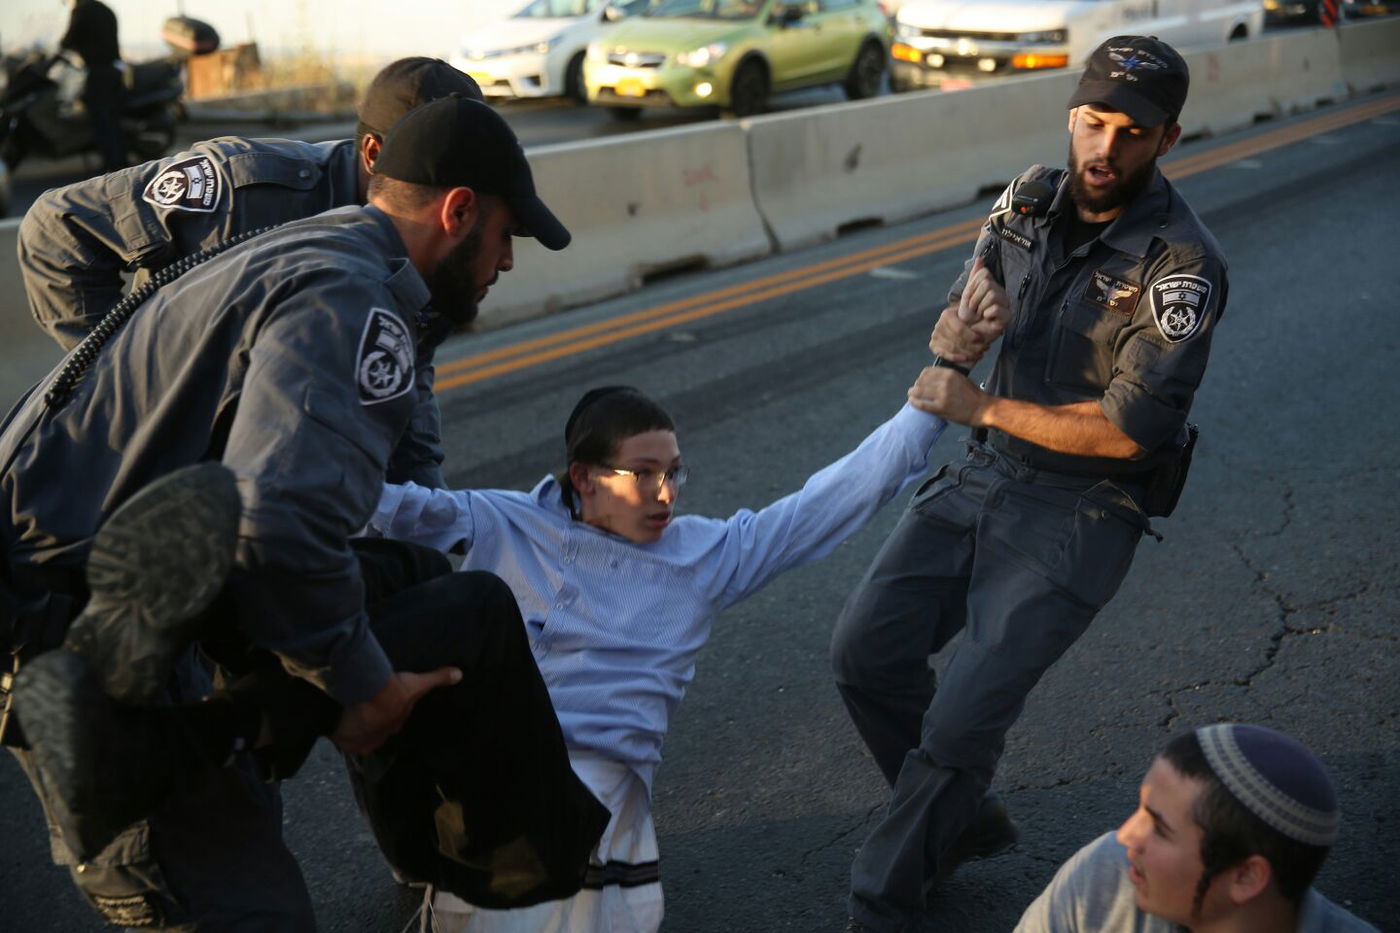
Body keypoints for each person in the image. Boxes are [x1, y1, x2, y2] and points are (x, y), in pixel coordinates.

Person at [2, 95, 607, 930]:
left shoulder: (319, 248)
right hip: (76, 627)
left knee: (436, 590)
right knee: (249, 909)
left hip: (132, 583)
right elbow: (281, 529)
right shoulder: (354, 300)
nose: (506, 262)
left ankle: (485, 858)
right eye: (507, 235)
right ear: (457, 210)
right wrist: (361, 690)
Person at [831, 35, 1230, 932]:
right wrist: (962, 330)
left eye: (1132, 132)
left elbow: (1127, 433)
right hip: (987, 472)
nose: (1105, 148)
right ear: (1070, 114)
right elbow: (964, 307)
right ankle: (959, 819)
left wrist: (977, 404)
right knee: (866, 651)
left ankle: (880, 902)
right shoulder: (1029, 200)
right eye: (1092, 122)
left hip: (1083, 508)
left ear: (1167, 139)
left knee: (961, 720)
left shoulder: (1181, 266)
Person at [365, 376, 980, 932]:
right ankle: (414, 843)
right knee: (372, 610)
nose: (666, 494)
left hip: (601, 779)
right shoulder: (505, 521)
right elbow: (383, 508)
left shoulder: (705, 555)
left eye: (675, 472)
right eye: (644, 474)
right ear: (584, 477)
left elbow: (827, 501)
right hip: (490, 765)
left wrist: (930, 405)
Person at [18, 54, 480, 486]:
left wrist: (428, 506)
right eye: (435, 176)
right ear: (375, 153)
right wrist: (131, 388)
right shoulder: (250, 191)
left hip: (271, 462)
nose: (452, 205)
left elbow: (404, 381)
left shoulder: (434, 238)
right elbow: (57, 226)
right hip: (139, 471)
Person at [1015, 724, 1378, 932]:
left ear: (1246, 877)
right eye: (1140, 809)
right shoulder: (1104, 879)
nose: (1126, 836)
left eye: (1159, 828)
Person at [59, 0, 126, 172]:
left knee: (102, 120)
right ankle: (118, 162)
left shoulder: (81, 11)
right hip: (113, 70)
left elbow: (68, 40)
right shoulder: (103, 9)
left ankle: (113, 165)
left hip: (98, 73)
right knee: (111, 119)